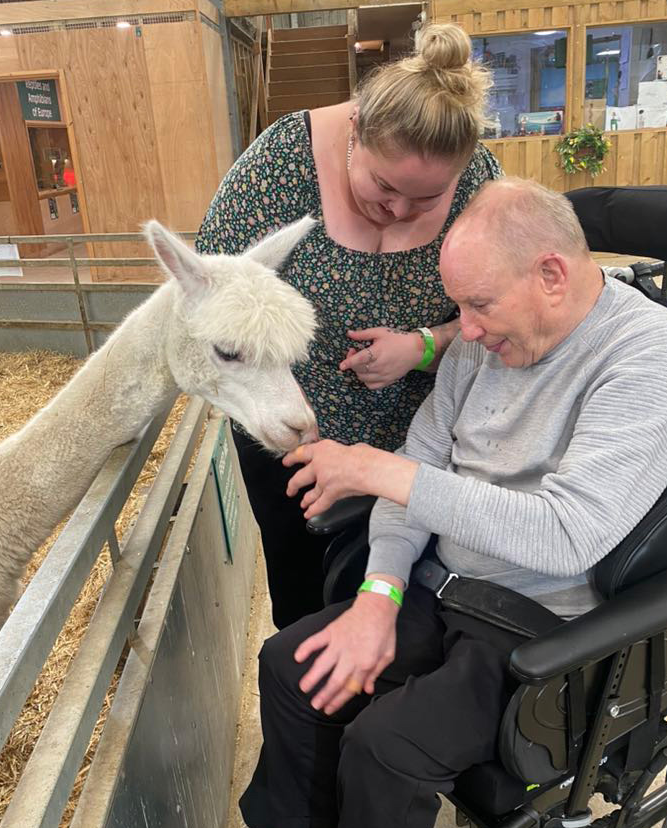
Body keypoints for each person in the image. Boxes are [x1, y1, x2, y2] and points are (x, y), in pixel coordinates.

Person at [238, 178, 667, 828]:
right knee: (291, 668)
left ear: (551, 275)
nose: (468, 329)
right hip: (439, 585)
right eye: (460, 306)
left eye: (479, 304)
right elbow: (421, 462)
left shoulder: (646, 354)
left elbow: (567, 534)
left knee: (383, 748)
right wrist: (379, 595)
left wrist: (379, 470)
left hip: (543, 625)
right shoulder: (483, 347)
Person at [194, 24, 502, 629]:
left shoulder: (479, 181)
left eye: (427, 199)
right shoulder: (279, 166)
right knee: (305, 607)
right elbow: (209, 300)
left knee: (418, 611)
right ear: (356, 129)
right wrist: (270, 386)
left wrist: (425, 346)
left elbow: (503, 316)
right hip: (295, 442)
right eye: (384, 187)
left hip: (428, 444)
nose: (399, 211)